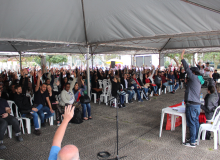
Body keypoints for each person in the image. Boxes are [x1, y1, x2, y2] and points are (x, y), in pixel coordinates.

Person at [181, 50, 202, 147]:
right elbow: (189, 90)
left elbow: (187, 69)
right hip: (196, 105)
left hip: (192, 105)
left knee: (192, 123)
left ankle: (192, 142)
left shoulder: (193, 77)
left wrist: (182, 59)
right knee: (196, 122)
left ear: (193, 72)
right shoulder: (198, 80)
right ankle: (195, 138)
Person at [201, 72, 219, 140]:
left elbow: (207, 109)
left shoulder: (209, 99)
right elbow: (212, 85)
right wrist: (211, 77)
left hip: (210, 115)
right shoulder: (215, 94)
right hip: (216, 113)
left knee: (205, 121)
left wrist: (200, 105)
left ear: (208, 91)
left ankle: (207, 135)